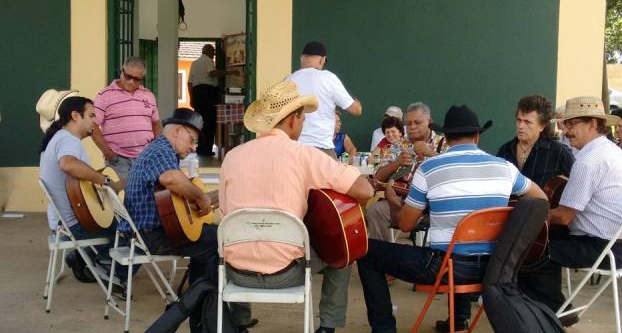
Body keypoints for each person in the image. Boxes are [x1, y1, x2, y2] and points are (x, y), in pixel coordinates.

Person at [358, 104, 547, 333]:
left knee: (368, 253)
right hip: (495, 268)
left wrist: (394, 201)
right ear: (477, 137)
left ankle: (384, 330)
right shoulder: (505, 168)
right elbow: (541, 200)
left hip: (446, 269)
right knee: (456, 247)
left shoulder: (429, 168)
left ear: (445, 137)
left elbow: (406, 224)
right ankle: (457, 322)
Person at [219, 81, 374, 333]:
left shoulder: (232, 156)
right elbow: (364, 190)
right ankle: (327, 327)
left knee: (243, 238)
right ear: (292, 118)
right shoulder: (303, 155)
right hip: (286, 273)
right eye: (303, 118)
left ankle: (239, 320)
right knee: (343, 252)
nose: (303, 125)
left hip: (236, 273)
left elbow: (226, 216)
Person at [121, 108, 256, 332]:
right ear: (177, 131)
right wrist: (201, 197)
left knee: (209, 242)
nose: (193, 147)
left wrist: (203, 199)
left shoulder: (163, 151)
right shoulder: (160, 150)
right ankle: (211, 314)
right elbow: (171, 179)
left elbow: (172, 196)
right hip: (152, 236)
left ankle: (205, 312)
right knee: (225, 239)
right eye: (191, 140)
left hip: (154, 231)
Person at [518, 96, 622, 328]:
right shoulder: (615, 152)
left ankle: (555, 311)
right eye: (565, 124)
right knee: (542, 241)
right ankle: (556, 308)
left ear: (593, 124)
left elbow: (564, 216)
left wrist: (527, 216)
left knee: (530, 251)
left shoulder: (588, 160)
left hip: (601, 247)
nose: (566, 130)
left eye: (572, 124)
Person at [38, 95, 128, 289]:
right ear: (75, 116)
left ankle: (83, 257)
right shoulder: (69, 140)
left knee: (118, 221)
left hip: (61, 222)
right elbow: (68, 165)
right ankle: (106, 269)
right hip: (75, 225)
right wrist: (104, 180)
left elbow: (79, 181)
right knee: (131, 232)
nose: (95, 121)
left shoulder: (58, 138)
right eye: (91, 115)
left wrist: (111, 183)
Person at [366, 102, 446, 243]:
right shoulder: (397, 145)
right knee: (375, 210)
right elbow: (377, 178)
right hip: (398, 199)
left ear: (429, 121)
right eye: (408, 124)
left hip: (431, 203)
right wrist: (396, 163)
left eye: (417, 122)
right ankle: (381, 258)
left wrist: (431, 154)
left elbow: (452, 170)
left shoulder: (443, 143)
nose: (412, 127)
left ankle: (430, 260)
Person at [91, 57, 161, 182]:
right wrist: (108, 152)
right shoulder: (105, 95)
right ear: (121, 71)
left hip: (145, 157)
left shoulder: (148, 95)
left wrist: (155, 149)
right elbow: (93, 125)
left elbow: (156, 123)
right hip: (118, 159)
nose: (131, 81)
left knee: (144, 196)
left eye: (136, 79)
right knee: (122, 197)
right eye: (128, 76)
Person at [287, 41, 362, 157]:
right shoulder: (327, 78)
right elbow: (356, 110)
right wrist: (350, 96)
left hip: (293, 149)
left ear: (301, 58)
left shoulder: (287, 81)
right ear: (322, 60)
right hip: (321, 149)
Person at [496, 95, 574, 188]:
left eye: (527, 122)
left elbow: (577, 185)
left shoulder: (559, 152)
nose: (521, 126)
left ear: (542, 126)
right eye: (519, 120)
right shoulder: (505, 150)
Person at [187, 44, 238, 156]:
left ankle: (200, 148)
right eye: (213, 52)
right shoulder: (209, 61)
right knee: (210, 123)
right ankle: (206, 150)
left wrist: (192, 98)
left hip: (197, 93)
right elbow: (212, 73)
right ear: (208, 51)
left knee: (200, 122)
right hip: (207, 93)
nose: (214, 54)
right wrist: (228, 72)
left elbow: (189, 83)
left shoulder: (194, 63)